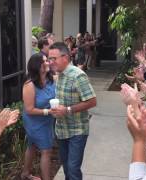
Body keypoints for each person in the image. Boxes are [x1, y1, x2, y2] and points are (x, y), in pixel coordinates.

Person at [48, 42, 97, 180]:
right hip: (62, 130)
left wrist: (68, 110)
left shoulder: (78, 76)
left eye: (53, 58)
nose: (50, 62)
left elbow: (92, 101)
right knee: (67, 168)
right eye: (49, 58)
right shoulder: (59, 75)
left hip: (77, 131)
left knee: (73, 169)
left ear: (65, 57)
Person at [21, 54, 55, 180]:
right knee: (46, 151)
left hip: (47, 119)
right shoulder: (29, 84)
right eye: (45, 61)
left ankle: (25, 173)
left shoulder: (51, 79)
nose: (48, 63)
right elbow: (29, 109)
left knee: (32, 146)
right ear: (37, 65)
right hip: (34, 121)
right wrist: (48, 111)